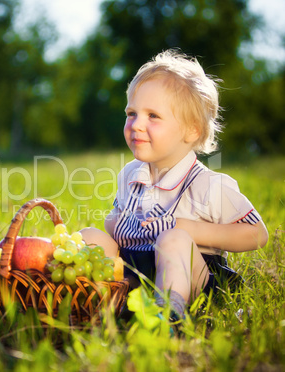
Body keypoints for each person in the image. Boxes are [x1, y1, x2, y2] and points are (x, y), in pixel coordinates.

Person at [81, 49, 268, 322]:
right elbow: (117, 224)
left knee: (174, 238)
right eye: (131, 113)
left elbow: (257, 234)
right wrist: (116, 224)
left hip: (193, 281)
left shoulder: (208, 185)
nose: (136, 124)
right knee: (90, 236)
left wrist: (192, 229)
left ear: (191, 130)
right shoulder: (130, 175)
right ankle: (104, 304)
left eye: (153, 116)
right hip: (137, 275)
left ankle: (169, 316)